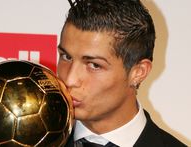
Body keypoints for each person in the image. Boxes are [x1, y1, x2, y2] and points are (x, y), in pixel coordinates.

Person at [56, 0, 187, 146]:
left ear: (138, 72)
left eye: (94, 65)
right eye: (66, 57)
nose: (69, 80)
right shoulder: (32, 141)